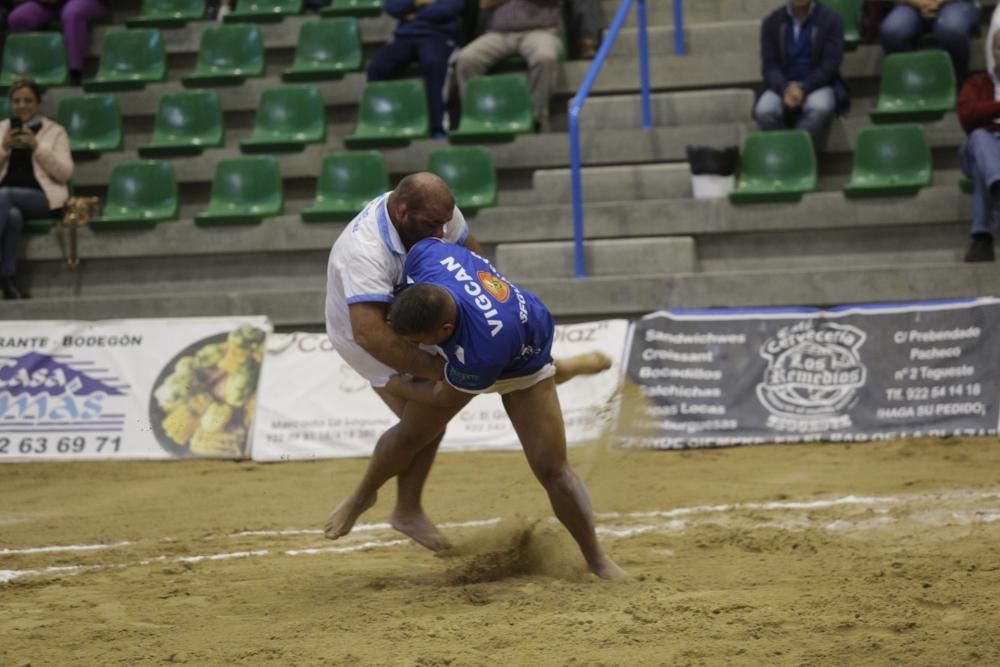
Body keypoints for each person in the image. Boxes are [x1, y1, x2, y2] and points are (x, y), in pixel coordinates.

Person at [322, 172, 609, 550]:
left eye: (445, 222)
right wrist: (429, 373)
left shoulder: (434, 219)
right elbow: (370, 332)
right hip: (376, 335)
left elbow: (476, 261)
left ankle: (393, 505)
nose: (441, 233)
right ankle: (382, 502)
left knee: (430, 419)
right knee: (421, 427)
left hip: (450, 326)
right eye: (431, 225)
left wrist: (484, 319)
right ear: (402, 211)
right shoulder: (364, 251)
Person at [0, 78, 73, 300]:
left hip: (43, 199)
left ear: (38, 103)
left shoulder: (55, 131)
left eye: (28, 100)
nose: (22, 105)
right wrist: (4, 149)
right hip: (5, 203)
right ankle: (8, 280)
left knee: (6, 195)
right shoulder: (2, 129)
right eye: (17, 101)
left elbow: (65, 173)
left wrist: (37, 147)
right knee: (11, 216)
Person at [454, 0, 564, 133]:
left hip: (541, 31)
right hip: (498, 34)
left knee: (545, 57)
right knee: (466, 59)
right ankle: (475, 117)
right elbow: (484, 3)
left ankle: (537, 119)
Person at [753, 0, 849, 149]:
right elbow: (769, 67)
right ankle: (791, 155)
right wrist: (784, 89)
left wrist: (804, 89)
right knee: (764, 111)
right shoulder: (772, 22)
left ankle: (796, 155)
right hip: (783, 85)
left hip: (818, 84)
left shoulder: (831, 20)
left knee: (819, 109)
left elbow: (830, 65)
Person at [367, 0, 464, 138]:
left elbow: (450, 8)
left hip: (439, 35)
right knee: (376, 68)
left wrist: (415, 15)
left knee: (433, 63)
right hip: (405, 37)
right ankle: (380, 123)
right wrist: (416, 3)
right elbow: (392, 7)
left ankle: (438, 127)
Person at [957, 20, 1000, 262]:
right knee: (979, 136)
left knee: (983, 170)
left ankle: (982, 239)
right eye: (999, 48)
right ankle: (998, 177)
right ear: (992, 53)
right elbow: (966, 115)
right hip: (977, 147)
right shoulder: (976, 83)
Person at [6, 0, 109, 86]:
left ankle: (75, 73)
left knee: (72, 13)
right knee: (17, 18)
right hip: (48, 4)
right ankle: (35, 69)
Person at [880, 0, 981, 83]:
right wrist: (920, 3)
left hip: (956, 3)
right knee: (892, 31)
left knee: (951, 30)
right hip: (910, 4)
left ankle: (956, 83)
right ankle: (908, 82)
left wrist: (936, 2)